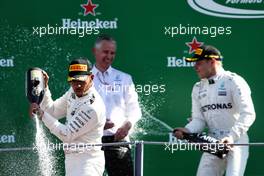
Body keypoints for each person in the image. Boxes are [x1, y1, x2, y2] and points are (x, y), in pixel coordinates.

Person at [173, 45, 256, 176]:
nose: (195, 67)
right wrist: (187, 130)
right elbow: (199, 120)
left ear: (212, 62)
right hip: (212, 142)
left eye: (199, 63)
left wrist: (231, 137)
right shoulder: (197, 88)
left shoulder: (233, 81)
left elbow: (248, 113)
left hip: (236, 141)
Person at [29, 58, 106, 176]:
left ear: (91, 77)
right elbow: (53, 111)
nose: (78, 85)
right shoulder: (72, 91)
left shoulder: (93, 107)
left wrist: (41, 114)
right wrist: (45, 88)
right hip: (71, 160)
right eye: (74, 81)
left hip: (88, 163)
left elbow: (66, 134)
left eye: (82, 81)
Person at [91, 35, 142, 176]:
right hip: (90, 140)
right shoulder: (83, 79)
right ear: (95, 51)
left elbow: (135, 110)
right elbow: (74, 110)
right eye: (105, 52)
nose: (109, 56)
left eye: (112, 53)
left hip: (117, 140)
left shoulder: (125, 78)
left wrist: (127, 125)